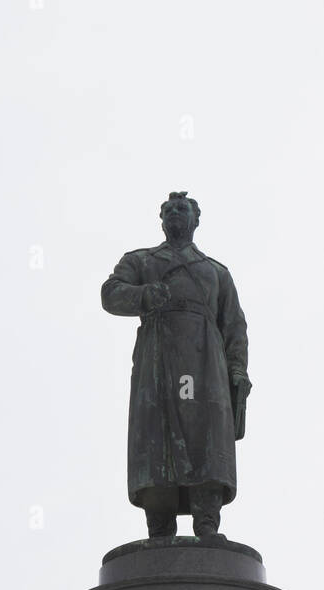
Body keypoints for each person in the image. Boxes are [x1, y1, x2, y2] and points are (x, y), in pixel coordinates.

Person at [101, 192, 251, 539]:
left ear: (195, 220)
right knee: (156, 436)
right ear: (161, 220)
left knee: (204, 435)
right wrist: (143, 296)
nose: (174, 213)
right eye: (168, 210)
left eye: (181, 209)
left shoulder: (216, 272)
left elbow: (234, 327)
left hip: (205, 362)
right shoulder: (140, 260)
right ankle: (160, 526)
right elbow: (111, 293)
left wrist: (237, 369)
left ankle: (207, 522)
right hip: (158, 358)